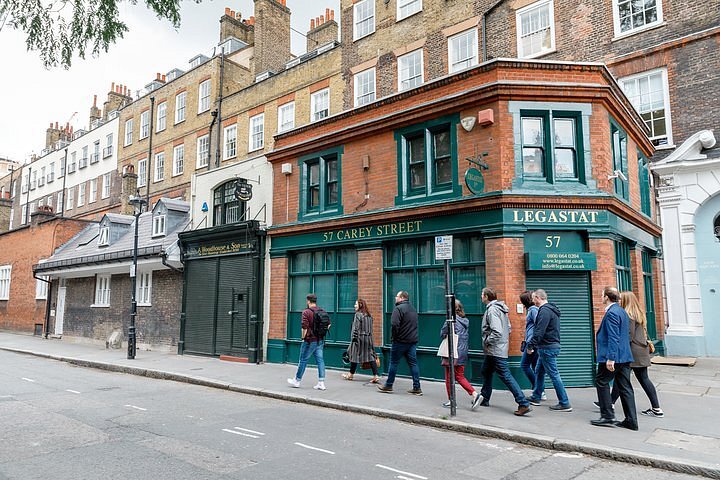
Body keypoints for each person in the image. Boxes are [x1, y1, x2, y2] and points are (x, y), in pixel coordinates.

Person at [478, 287, 532, 416]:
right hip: (496, 349)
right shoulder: (501, 309)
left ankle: (523, 403)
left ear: (486, 296)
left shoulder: (492, 310)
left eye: (482, 294)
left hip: (495, 349)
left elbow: (497, 331)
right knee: (485, 371)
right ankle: (484, 398)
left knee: (506, 376)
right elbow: (508, 327)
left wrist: (487, 341)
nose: (481, 297)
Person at [609, 291, 664, 417]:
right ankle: (656, 408)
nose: (618, 300)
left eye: (621, 298)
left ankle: (610, 403)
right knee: (637, 378)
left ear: (626, 301)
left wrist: (619, 349)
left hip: (632, 351)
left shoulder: (629, 315)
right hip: (641, 350)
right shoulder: (638, 313)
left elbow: (629, 336)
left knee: (627, 378)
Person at [591, 287, 637, 430]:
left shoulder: (611, 313)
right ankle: (631, 421)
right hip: (624, 356)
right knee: (625, 387)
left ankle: (607, 416)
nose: (601, 297)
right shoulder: (621, 311)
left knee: (601, 381)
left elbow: (613, 336)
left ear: (607, 297)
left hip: (613, 356)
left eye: (602, 295)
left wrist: (610, 358)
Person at [526, 289, 572, 412]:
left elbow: (539, 331)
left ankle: (564, 402)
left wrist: (531, 346)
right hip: (549, 346)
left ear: (538, 298)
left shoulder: (545, 311)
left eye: (534, 298)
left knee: (554, 375)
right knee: (539, 372)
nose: (532, 300)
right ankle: (536, 396)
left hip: (547, 347)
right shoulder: (551, 309)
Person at [377, 291, 422, 395]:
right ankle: (417, 387)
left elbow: (394, 325)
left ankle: (388, 385)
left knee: (393, 363)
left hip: (400, 341)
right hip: (412, 341)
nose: (395, 298)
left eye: (397, 296)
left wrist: (394, 337)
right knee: (413, 364)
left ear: (402, 298)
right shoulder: (413, 309)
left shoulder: (398, 309)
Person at [440, 299, 482, 410]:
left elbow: (442, 333)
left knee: (449, 377)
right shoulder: (465, 321)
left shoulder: (450, 320)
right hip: (463, 352)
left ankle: (452, 401)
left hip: (452, 352)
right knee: (459, 376)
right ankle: (474, 394)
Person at [287, 293, 329, 391]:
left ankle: (297, 381)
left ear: (308, 301)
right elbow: (328, 325)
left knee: (303, 360)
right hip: (320, 340)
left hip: (309, 341)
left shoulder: (306, 312)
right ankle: (321, 383)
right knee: (320, 360)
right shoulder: (322, 311)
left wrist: (303, 337)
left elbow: (304, 327)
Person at [342, 299, 380, 383]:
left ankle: (350, 375)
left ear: (360, 305)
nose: (354, 306)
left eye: (356, 304)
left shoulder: (358, 315)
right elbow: (370, 328)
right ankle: (376, 376)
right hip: (368, 339)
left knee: (354, 355)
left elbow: (355, 328)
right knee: (370, 356)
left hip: (359, 339)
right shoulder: (369, 315)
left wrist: (354, 339)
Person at [519, 291, 544, 400]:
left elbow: (538, 325)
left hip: (532, 343)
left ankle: (538, 389)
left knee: (524, 365)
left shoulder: (533, 310)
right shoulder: (532, 310)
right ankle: (540, 392)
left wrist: (531, 344)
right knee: (535, 368)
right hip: (534, 342)